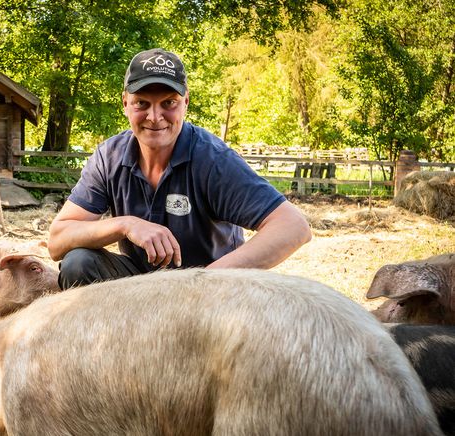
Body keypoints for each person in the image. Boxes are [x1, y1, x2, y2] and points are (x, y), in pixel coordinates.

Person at [48, 48, 312, 289]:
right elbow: (58, 241)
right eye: (142, 103)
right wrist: (126, 225)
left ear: (185, 101)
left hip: (209, 288)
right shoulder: (110, 156)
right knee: (78, 263)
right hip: (137, 284)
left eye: (168, 103)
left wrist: (204, 281)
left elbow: (293, 226)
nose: (154, 117)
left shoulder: (212, 159)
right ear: (125, 102)